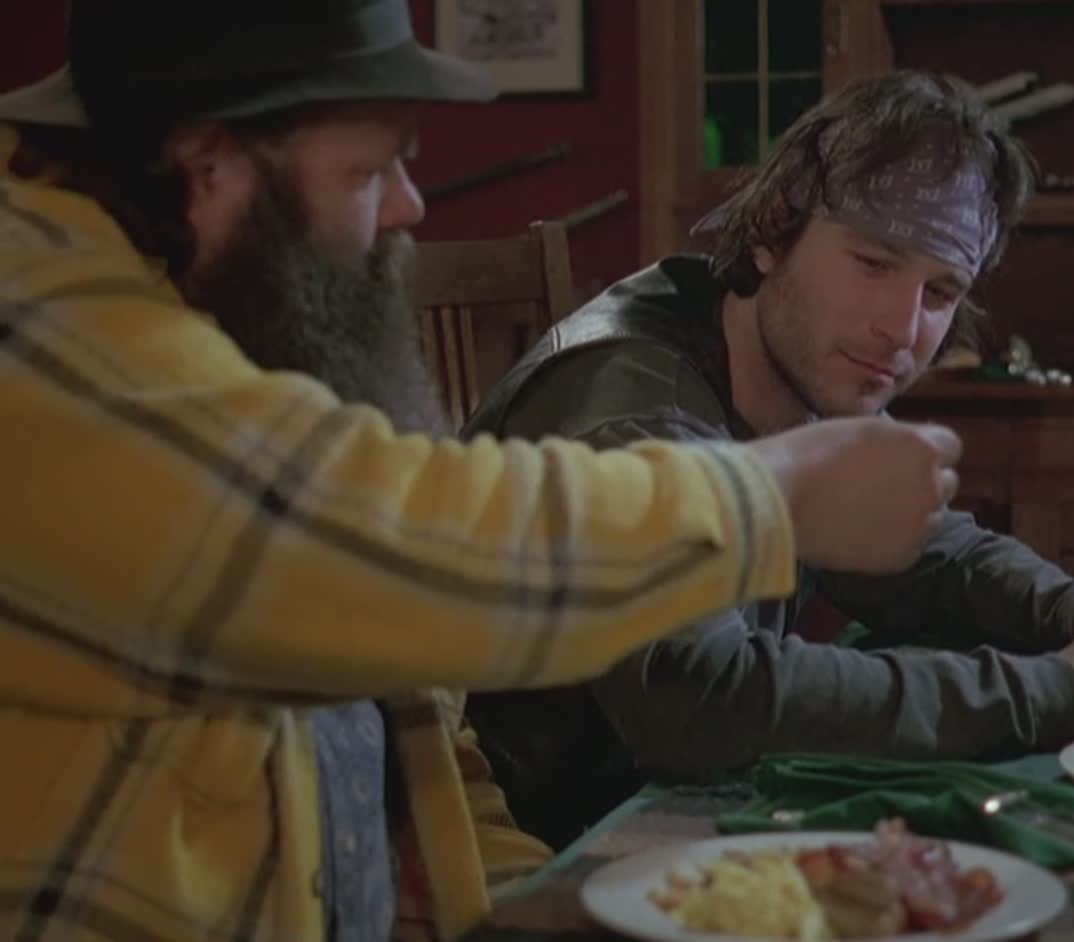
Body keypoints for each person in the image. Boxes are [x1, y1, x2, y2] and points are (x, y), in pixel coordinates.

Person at [0, 5, 966, 941]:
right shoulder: (47, 350)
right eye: (370, 170)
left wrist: (524, 902)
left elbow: (416, 723)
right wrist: (773, 497)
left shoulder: (216, 322)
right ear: (207, 164)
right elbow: (397, 548)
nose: (410, 205)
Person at [462, 70, 1074, 848]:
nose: (902, 328)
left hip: (699, 812)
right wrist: (1060, 691)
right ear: (771, 230)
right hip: (552, 847)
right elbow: (703, 700)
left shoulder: (793, 369)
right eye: (873, 263)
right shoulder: (635, 406)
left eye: (940, 292)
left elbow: (931, 554)